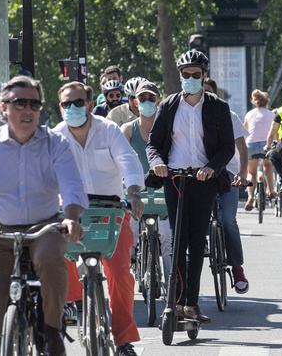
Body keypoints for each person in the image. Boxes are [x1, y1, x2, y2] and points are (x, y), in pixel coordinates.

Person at [0, 75, 87, 356]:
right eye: (19, 103)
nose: (27, 110)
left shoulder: (55, 143)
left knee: (50, 260)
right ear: (3, 108)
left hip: (45, 227)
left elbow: (72, 185)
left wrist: (71, 217)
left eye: (34, 105)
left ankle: (51, 331)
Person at [53, 81, 145, 356]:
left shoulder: (109, 130)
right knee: (56, 256)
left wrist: (134, 192)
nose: (72, 108)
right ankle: (73, 303)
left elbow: (128, 162)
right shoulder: (55, 137)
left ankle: (123, 340)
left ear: (91, 104)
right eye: (66, 104)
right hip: (70, 213)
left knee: (120, 274)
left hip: (110, 213)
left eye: (78, 103)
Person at [146, 49, 234, 323]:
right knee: (178, 239)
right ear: (180, 76)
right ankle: (176, 301)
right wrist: (157, 163)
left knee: (197, 242)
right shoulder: (169, 106)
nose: (191, 79)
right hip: (175, 179)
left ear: (204, 76)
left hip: (203, 180)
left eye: (196, 75)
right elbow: (153, 144)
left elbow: (227, 147)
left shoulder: (218, 107)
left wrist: (212, 168)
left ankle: (191, 303)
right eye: (186, 74)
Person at [120, 80, 173, 285]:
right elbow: (118, 157)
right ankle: (131, 266)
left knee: (168, 239)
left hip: (162, 189)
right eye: (142, 98)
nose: (147, 102)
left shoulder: (168, 127)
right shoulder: (128, 129)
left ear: (158, 101)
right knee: (130, 233)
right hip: (135, 190)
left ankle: (172, 288)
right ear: (134, 102)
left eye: (152, 98)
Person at [203, 77, 250, 294]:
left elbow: (241, 146)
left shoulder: (229, 116)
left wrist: (242, 172)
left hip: (227, 175)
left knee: (228, 219)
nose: (206, 95)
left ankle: (237, 268)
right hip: (200, 176)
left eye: (210, 92)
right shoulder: (188, 116)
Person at [243, 89, 277, 211]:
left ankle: (250, 197)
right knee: (268, 166)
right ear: (267, 102)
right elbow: (275, 132)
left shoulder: (249, 114)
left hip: (251, 145)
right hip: (266, 145)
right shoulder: (272, 115)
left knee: (251, 173)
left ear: (254, 101)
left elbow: (244, 131)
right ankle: (271, 190)